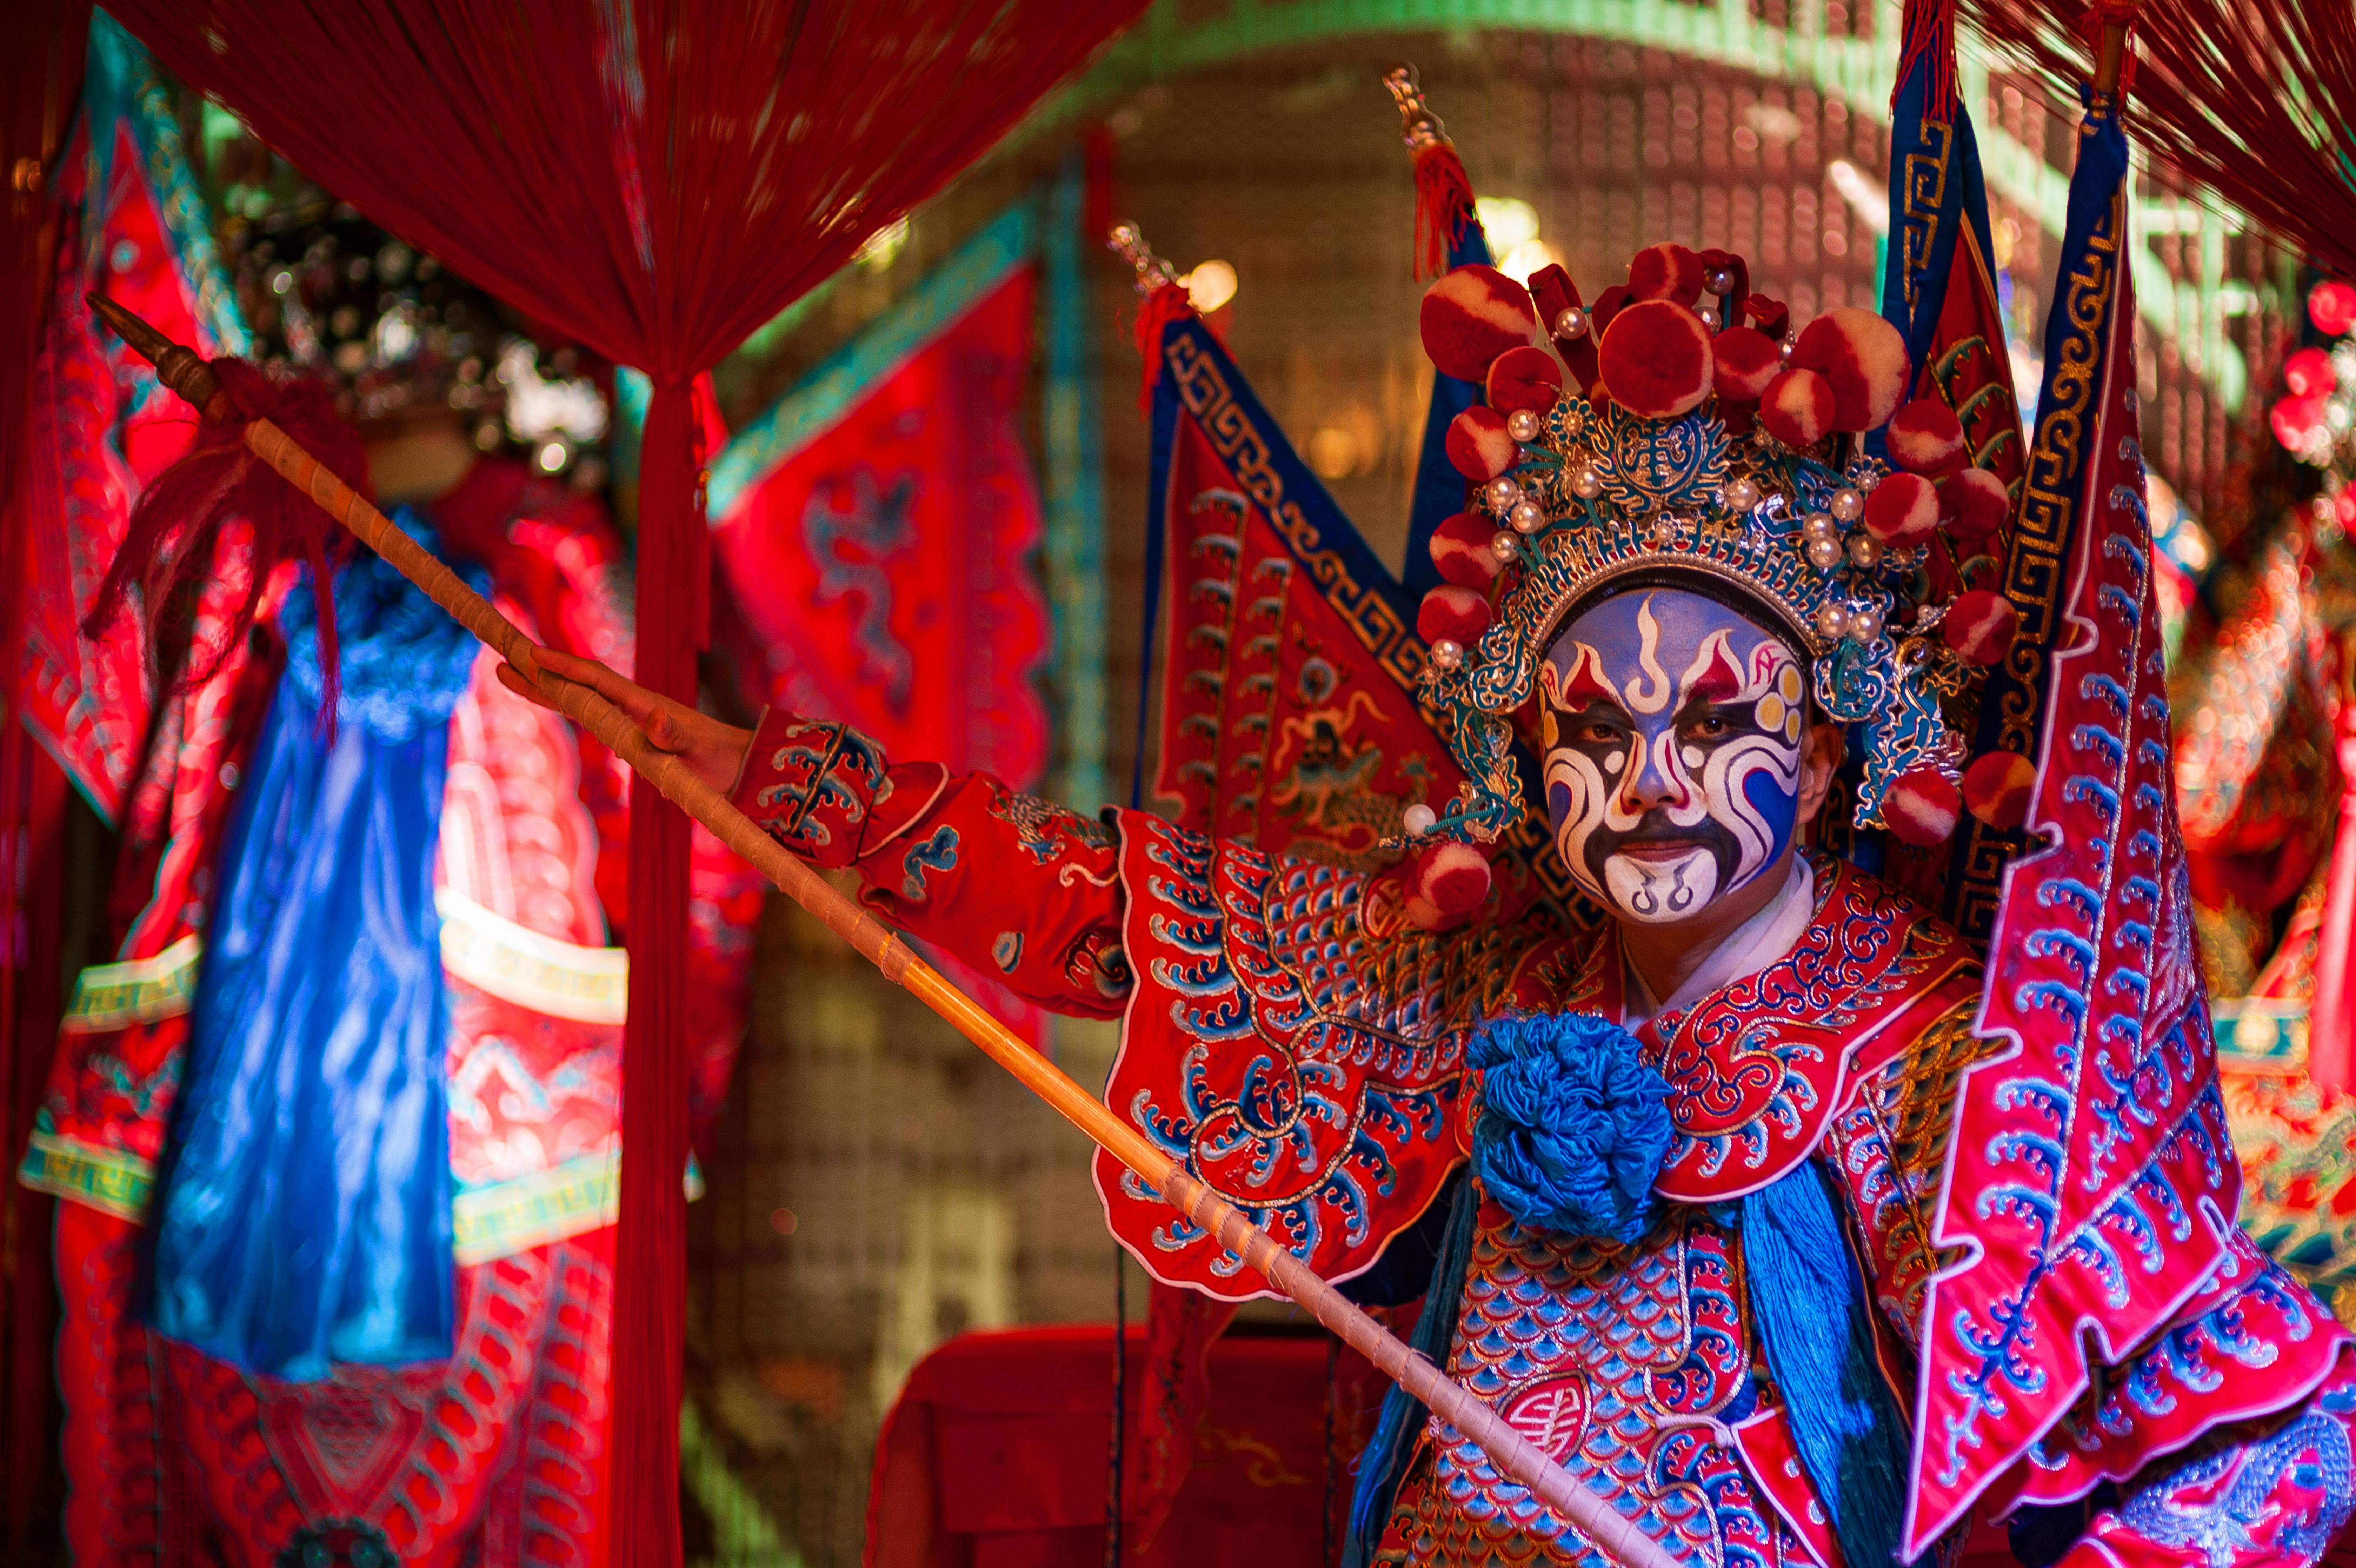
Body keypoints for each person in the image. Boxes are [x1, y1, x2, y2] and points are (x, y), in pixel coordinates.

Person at [509, 248, 2356, 1568]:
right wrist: (752, 768)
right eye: (1594, 720)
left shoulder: (1936, 1044)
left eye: (1717, 720)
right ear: (1518, 746)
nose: (1649, 777)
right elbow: (1089, 907)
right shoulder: (1479, 975)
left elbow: (2234, 1443)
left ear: (1834, 723)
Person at [25, 203, 760, 1568]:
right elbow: (694, 852)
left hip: (209, 1114)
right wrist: (687, 1051)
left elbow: (150, 816)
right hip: (516, 1138)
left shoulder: (243, 563)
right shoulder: (557, 574)